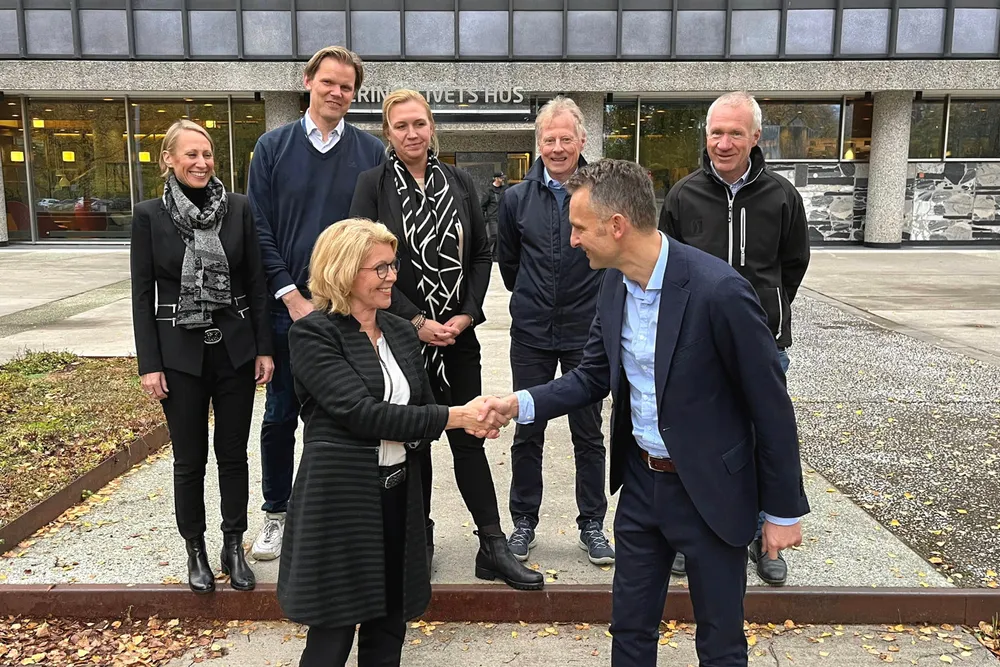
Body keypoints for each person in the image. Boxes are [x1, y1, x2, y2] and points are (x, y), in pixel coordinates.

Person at [481, 159, 809, 667]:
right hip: (640, 486)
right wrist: (518, 403)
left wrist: (782, 510)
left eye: (579, 228)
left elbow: (770, 405)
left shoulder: (718, 291)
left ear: (617, 226)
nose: (572, 240)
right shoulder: (613, 284)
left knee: (721, 643)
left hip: (712, 494)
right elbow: (591, 376)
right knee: (630, 630)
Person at [278, 219, 508, 667]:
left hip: (399, 495)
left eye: (392, 265)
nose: (392, 277)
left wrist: (473, 420)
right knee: (332, 631)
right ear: (344, 271)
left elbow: (422, 405)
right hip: (341, 501)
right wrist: (457, 416)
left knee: (389, 624)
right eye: (379, 268)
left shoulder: (401, 331)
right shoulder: (313, 333)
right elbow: (362, 413)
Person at [349, 89, 543, 591]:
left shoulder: (459, 182)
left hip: (457, 337)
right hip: (400, 337)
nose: (412, 134)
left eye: (419, 123)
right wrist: (415, 320)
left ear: (431, 127)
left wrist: (467, 313)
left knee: (469, 434)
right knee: (414, 440)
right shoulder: (372, 185)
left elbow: (481, 253)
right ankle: (420, 540)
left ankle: (493, 545)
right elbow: (363, 261)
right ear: (388, 133)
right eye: (401, 126)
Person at [658, 91, 810, 585]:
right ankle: (695, 534)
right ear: (706, 136)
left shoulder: (782, 196)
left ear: (755, 137)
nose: (724, 143)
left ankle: (765, 536)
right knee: (700, 441)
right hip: (696, 345)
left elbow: (793, 265)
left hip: (763, 344)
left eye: (735, 133)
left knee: (761, 437)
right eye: (716, 133)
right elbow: (668, 266)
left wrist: (761, 314)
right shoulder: (682, 196)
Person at [247, 46, 386, 561]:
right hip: (288, 311)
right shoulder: (272, 147)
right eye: (328, 82)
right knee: (281, 414)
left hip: (349, 312)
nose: (337, 92)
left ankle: (340, 513)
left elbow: (377, 234)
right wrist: (289, 294)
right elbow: (257, 227)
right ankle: (276, 513)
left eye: (347, 86)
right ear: (307, 81)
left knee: (348, 416)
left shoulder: (371, 152)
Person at [131, 119, 274, 594]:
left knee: (233, 455)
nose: (201, 162)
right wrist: (149, 364)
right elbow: (141, 295)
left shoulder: (238, 208)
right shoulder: (149, 216)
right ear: (169, 159)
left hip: (234, 351)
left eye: (207, 153)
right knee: (189, 459)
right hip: (179, 355)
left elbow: (255, 282)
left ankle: (233, 545)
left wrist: (264, 348)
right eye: (191, 154)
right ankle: (195, 548)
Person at [496, 96, 612, 566]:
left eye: (567, 138)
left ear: (582, 141)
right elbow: (509, 265)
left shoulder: (602, 193)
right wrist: (535, 298)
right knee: (528, 429)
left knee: (589, 432)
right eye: (549, 139)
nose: (558, 147)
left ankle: (592, 524)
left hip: (588, 333)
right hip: (531, 333)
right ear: (538, 143)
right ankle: (524, 521)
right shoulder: (515, 199)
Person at [480, 171, 506, 260]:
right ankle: (483, 250)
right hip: (492, 217)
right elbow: (483, 205)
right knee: (494, 235)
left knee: (499, 237)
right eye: (501, 178)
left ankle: (495, 255)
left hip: (502, 216)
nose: (502, 179)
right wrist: (483, 217)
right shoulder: (489, 191)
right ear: (496, 178)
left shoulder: (504, 189)